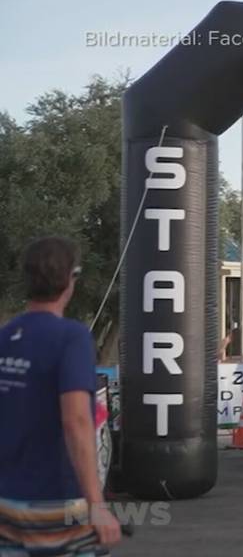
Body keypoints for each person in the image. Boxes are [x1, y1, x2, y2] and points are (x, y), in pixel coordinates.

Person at [0, 237, 122, 553]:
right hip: (56, 501)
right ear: (70, 279)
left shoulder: (5, 339)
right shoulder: (72, 338)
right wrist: (97, 506)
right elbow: (77, 420)